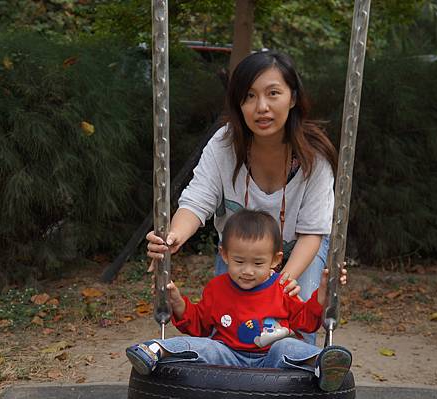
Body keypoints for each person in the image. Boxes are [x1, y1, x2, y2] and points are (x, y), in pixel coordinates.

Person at [146, 51, 346, 323]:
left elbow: (312, 232)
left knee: (294, 322)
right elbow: (196, 202)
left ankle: (300, 362)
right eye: (249, 96)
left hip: (300, 249)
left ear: (293, 98)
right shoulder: (225, 144)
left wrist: (278, 285)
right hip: (242, 252)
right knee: (228, 323)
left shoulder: (314, 157)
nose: (261, 106)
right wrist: (172, 238)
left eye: (273, 93)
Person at [127, 210, 353, 392]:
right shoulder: (217, 288)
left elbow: (305, 322)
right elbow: (199, 325)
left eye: (257, 263)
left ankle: (322, 364)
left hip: (271, 357)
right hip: (227, 355)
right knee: (208, 346)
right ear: (224, 255)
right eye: (238, 261)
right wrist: (176, 301)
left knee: (287, 346)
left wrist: (323, 292)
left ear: (275, 260)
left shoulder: (282, 287)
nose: (247, 271)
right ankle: (155, 351)